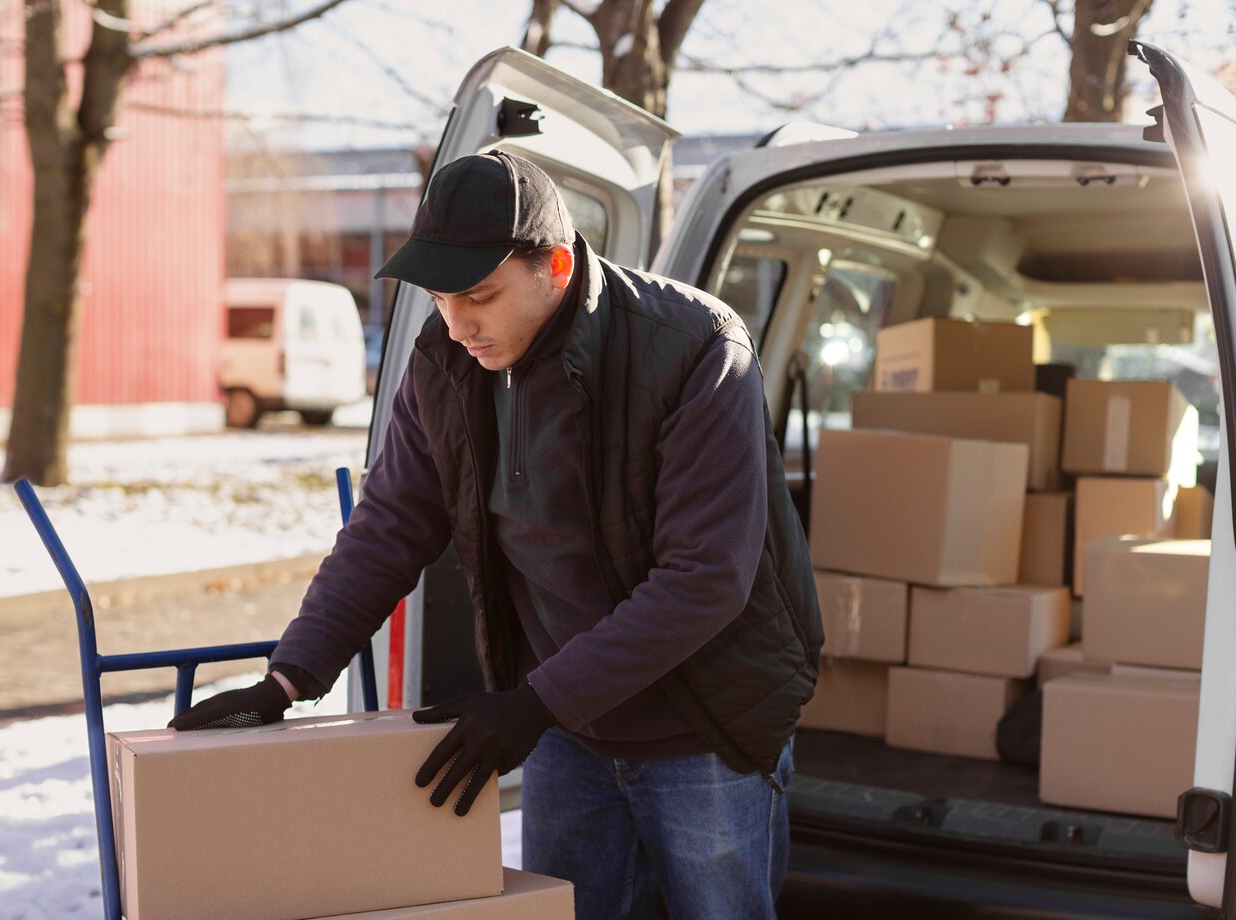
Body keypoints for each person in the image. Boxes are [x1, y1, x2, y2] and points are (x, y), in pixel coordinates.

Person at [171, 149, 823, 919]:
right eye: (442, 298)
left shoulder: (694, 348)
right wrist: (290, 678)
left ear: (553, 264)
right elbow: (387, 529)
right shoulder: (444, 362)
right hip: (565, 727)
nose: (458, 323)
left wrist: (533, 704)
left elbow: (705, 578)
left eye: (479, 295)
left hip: (705, 719)